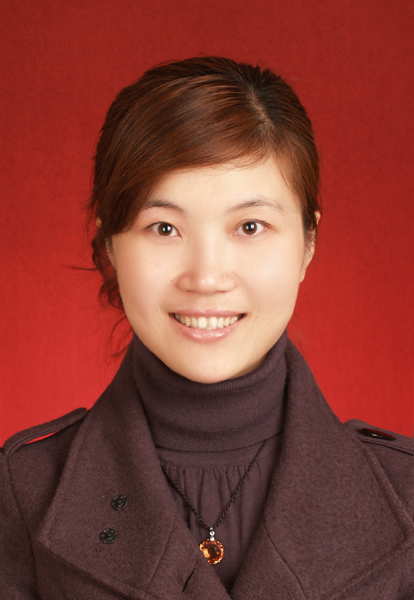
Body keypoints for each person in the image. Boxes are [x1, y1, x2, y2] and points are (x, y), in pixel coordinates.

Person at [0, 57, 413, 600]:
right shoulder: (24, 492)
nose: (207, 277)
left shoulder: (406, 494)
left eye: (250, 226)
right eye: (163, 227)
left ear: (308, 243)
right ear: (109, 247)